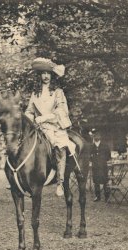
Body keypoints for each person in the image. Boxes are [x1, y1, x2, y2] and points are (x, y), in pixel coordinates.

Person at [25, 57, 76, 197]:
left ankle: (60, 182)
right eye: (43, 73)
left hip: (54, 126)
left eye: (48, 73)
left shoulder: (58, 92)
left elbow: (61, 111)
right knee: (24, 143)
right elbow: (29, 111)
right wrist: (29, 120)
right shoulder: (35, 93)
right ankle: (22, 177)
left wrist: (45, 117)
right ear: (39, 76)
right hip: (38, 127)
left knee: (60, 148)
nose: (45, 76)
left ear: (52, 76)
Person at [90, 129, 111, 202]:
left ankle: (107, 197)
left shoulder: (105, 146)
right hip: (95, 166)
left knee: (105, 181)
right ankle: (97, 196)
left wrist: (102, 160)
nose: (96, 136)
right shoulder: (91, 146)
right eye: (94, 135)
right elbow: (89, 157)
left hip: (103, 166)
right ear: (93, 136)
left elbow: (108, 156)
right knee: (96, 182)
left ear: (100, 136)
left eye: (97, 135)